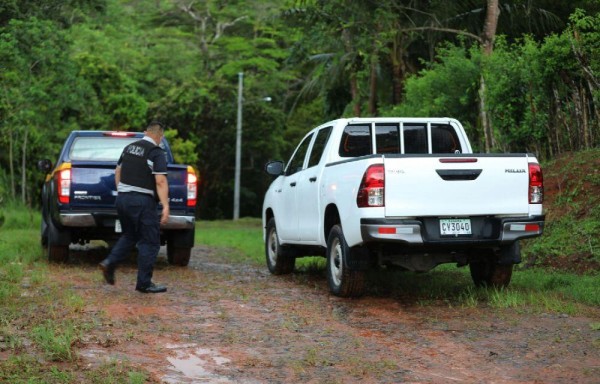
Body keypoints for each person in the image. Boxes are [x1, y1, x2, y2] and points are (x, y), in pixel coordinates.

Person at [99, 121, 170, 293]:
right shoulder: (156, 152)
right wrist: (166, 206)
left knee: (130, 235)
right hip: (142, 201)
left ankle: (109, 263)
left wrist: (122, 191)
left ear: (146, 132)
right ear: (160, 136)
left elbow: (118, 172)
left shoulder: (129, 148)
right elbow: (160, 180)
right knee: (151, 242)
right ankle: (144, 283)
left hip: (122, 199)